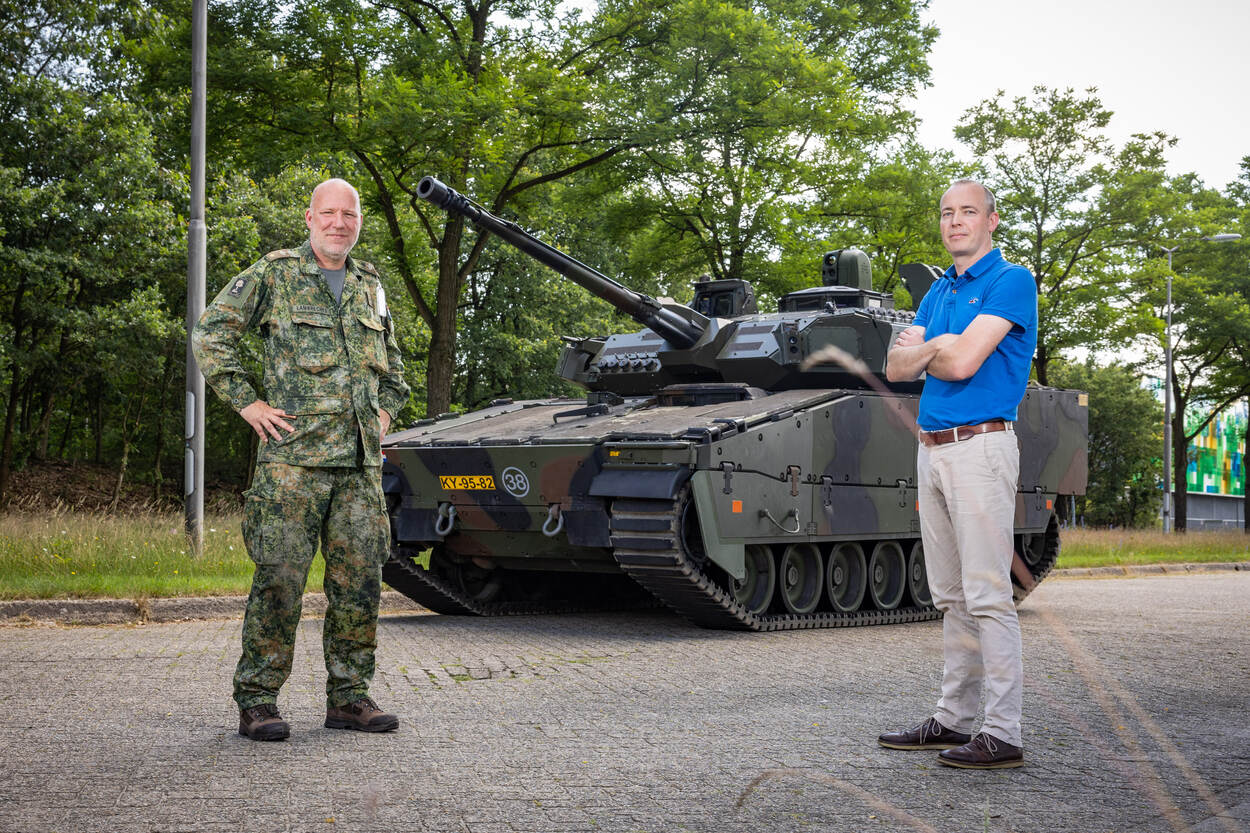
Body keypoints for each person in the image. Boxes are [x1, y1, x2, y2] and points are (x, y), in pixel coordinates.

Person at [192, 178, 411, 741]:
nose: (339, 223)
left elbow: (393, 366)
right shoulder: (275, 273)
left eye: (349, 214)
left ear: (359, 222)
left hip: (359, 468)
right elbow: (211, 334)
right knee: (280, 583)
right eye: (328, 213)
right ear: (310, 218)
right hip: (293, 465)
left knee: (360, 585)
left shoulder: (369, 283)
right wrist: (248, 403)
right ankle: (258, 701)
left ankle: (350, 698)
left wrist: (385, 414)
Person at [878, 179, 1037, 769]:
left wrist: (934, 349)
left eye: (968, 212)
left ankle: (1004, 732)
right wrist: (938, 346)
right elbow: (895, 367)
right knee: (950, 595)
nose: (956, 222)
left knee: (988, 594)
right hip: (932, 449)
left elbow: (966, 361)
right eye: (947, 213)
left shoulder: (1010, 281)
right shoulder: (940, 289)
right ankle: (953, 718)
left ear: (991, 221)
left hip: (980, 447)